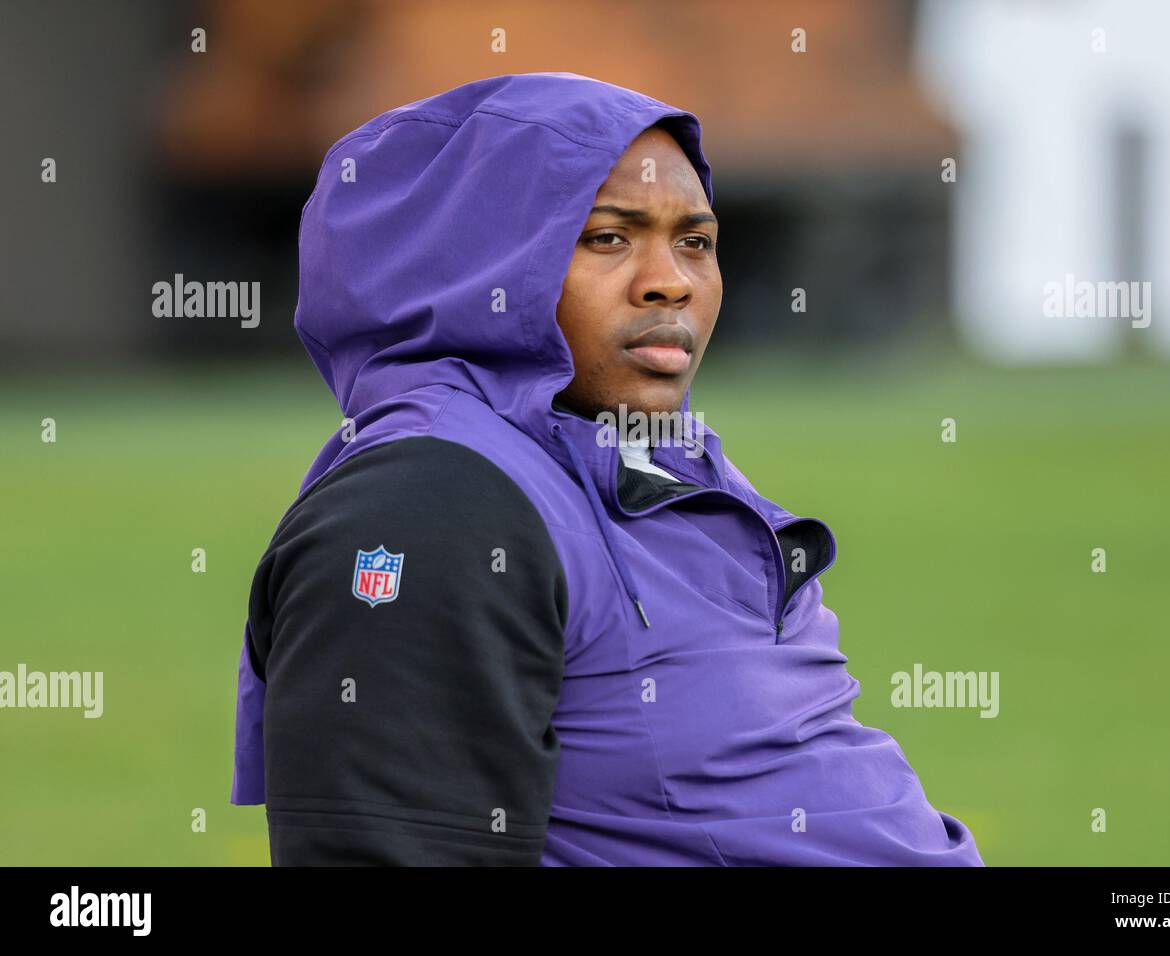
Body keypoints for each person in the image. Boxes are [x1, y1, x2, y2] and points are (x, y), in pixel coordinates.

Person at [229, 71, 984, 867]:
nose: (673, 281)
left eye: (695, 240)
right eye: (608, 238)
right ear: (482, 267)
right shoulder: (428, 505)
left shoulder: (653, 454)